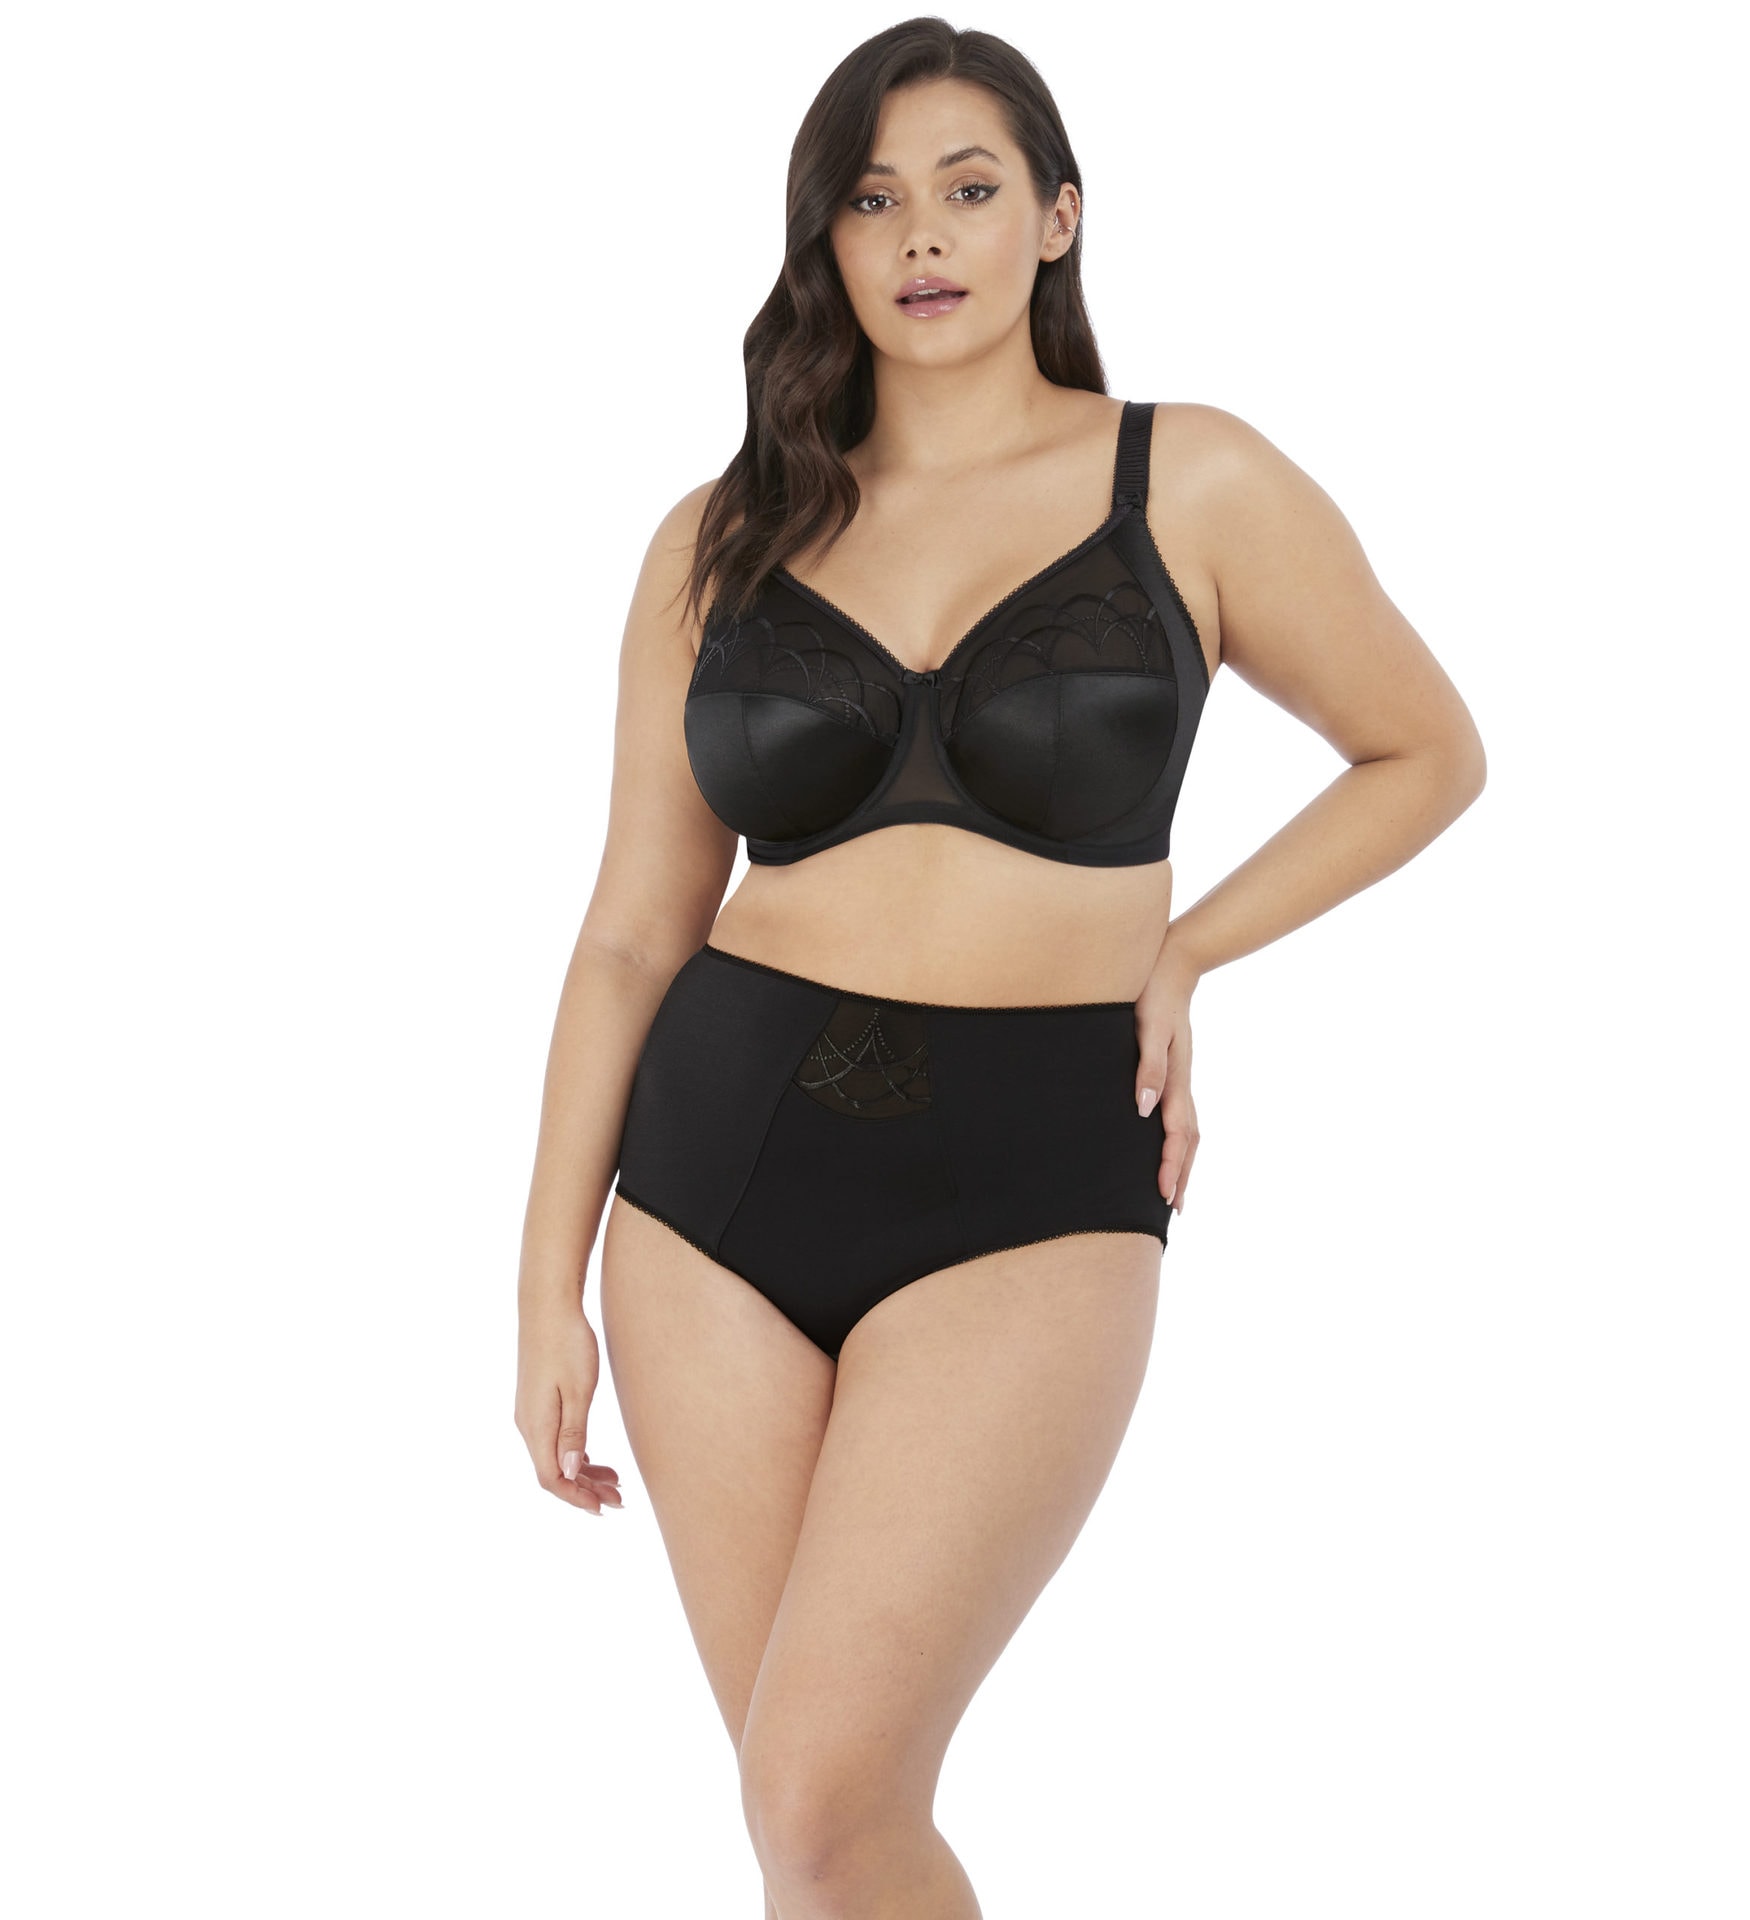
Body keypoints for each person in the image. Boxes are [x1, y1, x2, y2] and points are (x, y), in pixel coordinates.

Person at [514, 20, 1485, 1918]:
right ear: (825, 239)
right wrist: (544, 1284)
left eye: (969, 189)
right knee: (811, 1832)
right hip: (712, 1185)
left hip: (1034, 1174)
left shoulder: (1190, 480)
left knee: (825, 1787)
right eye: (872, 200)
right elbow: (632, 928)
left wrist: (1189, 948)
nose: (922, 237)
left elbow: (1426, 750)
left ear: (1058, 217)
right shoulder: (722, 535)